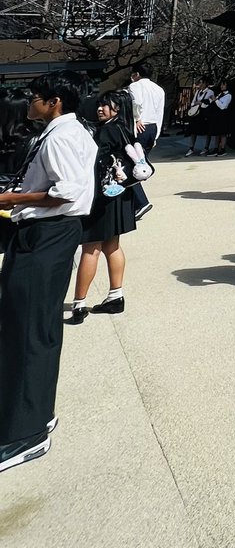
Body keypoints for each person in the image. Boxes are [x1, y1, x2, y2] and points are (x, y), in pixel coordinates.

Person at [0, 73, 97, 474]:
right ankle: (35, 410)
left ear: (54, 101)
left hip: (46, 234)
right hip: (51, 233)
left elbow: (67, 191)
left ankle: (27, 433)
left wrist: (12, 197)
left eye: (36, 97)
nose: (30, 103)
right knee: (35, 326)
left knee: (27, 328)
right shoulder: (71, 132)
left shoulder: (60, 137)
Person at [68, 89, 139, 323]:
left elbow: (93, 163)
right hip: (120, 195)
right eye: (100, 104)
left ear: (117, 108)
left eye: (106, 105)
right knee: (112, 245)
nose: (100, 108)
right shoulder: (124, 128)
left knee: (90, 248)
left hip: (102, 197)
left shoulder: (106, 130)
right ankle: (116, 296)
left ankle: (79, 304)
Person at [126, 64, 164, 221]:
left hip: (140, 127)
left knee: (130, 164)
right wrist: (156, 135)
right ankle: (135, 202)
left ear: (136, 74)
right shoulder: (158, 89)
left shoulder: (135, 86)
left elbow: (136, 102)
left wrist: (137, 118)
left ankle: (141, 202)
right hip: (153, 127)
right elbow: (160, 112)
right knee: (137, 163)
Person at [184, 78, 215, 156]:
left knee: (206, 131)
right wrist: (196, 103)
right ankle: (191, 147)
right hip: (196, 113)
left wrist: (202, 104)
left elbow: (210, 102)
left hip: (205, 114)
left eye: (202, 83)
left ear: (206, 83)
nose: (200, 84)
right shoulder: (197, 91)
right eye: (200, 83)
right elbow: (193, 102)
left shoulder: (210, 92)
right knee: (193, 130)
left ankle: (206, 147)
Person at [201, 80, 233, 156]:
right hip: (217, 116)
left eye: (224, 85)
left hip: (223, 116)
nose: (222, 86)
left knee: (223, 133)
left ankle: (222, 149)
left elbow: (223, 106)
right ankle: (216, 148)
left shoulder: (228, 95)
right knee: (217, 133)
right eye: (221, 85)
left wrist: (215, 99)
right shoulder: (220, 94)